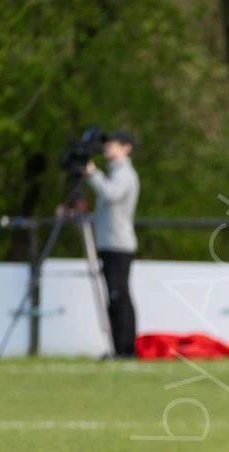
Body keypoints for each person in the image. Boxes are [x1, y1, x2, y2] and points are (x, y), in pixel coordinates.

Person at [85, 131, 141, 358]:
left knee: (119, 296)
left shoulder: (124, 174)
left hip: (119, 245)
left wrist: (92, 174)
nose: (107, 148)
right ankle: (120, 348)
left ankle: (125, 350)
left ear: (126, 148)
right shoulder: (114, 173)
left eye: (113, 145)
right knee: (116, 296)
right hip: (110, 243)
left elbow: (111, 194)